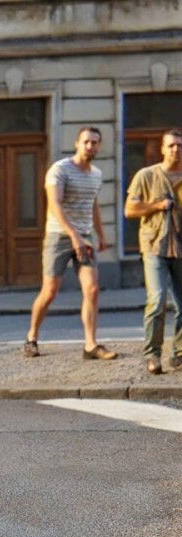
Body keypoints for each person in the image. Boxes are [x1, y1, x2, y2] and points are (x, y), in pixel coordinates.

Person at [25, 126, 115, 360]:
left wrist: (101, 235)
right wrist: (73, 236)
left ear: (99, 146)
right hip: (58, 236)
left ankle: (90, 345)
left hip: (85, 236)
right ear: (77, 144)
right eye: (86, 142)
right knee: (50, 291)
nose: (90, 146)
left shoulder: (96, 174)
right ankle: (32, 337)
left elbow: (93, 205)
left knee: (92, 289)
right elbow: (54, 204)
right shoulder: (60, 169)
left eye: (94, 142)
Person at [123, 127, 182, 375]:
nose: (176, 150)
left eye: (180, 145)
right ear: (162, 148)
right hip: (154, 246)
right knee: (157, 300)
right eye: (171, 145)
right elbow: (129, 210)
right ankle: (152, 354)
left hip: (180, 247)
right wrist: (157, 206)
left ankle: (179, 353)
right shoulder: (146, 175)